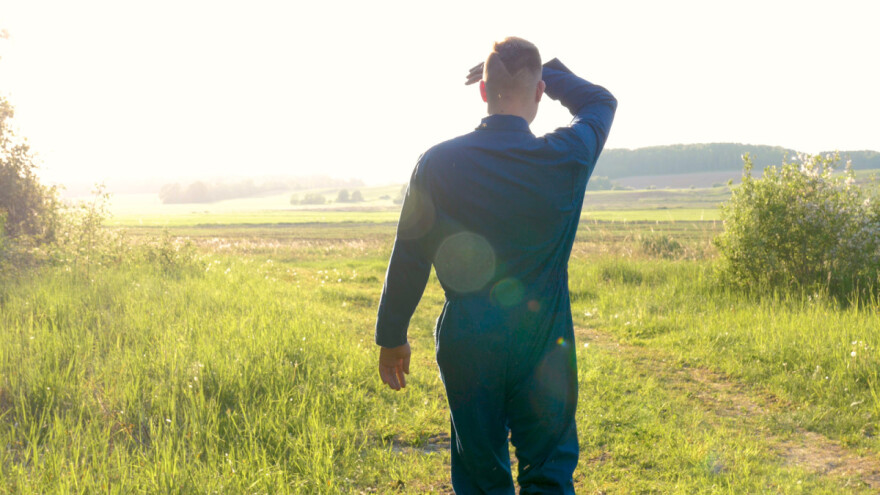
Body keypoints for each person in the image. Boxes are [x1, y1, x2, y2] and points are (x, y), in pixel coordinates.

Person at [375, 37, 617, 494]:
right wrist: (549, 70)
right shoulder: (566, 155)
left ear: (482, 93)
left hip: (468, 340)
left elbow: (410, 256)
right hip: (543, 340)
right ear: (541, 93)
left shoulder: (437, 162)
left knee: (481, 473)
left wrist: (392, 337)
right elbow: (600, 101)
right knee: (548, 468)